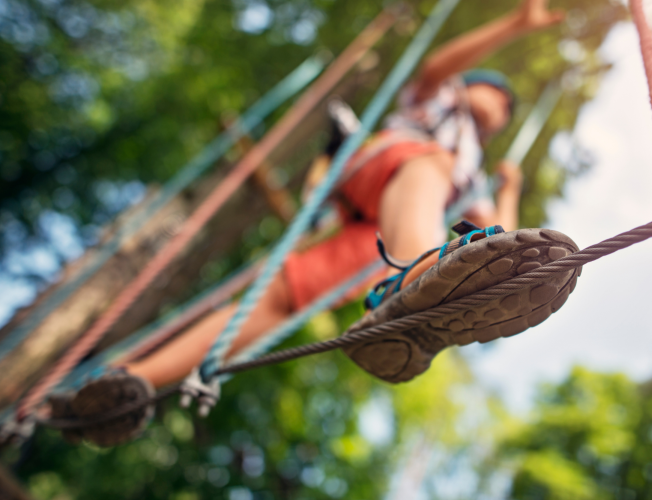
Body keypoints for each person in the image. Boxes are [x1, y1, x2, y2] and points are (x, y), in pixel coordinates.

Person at [52, 0, 580, 446]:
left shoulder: (475, 172)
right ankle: (419, 277)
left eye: (510, 109)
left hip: (382, 235)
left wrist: (509, 191)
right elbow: (438, 66)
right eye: (500, 96)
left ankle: (125, 388)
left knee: (286, 297)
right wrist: (515, 25)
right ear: (473, 87)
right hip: (379, 173)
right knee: (432, 172)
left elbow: (505, 239)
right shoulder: (442, 103)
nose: (505, 108)